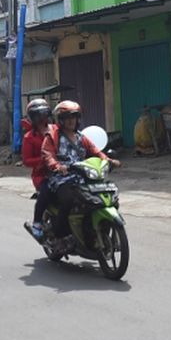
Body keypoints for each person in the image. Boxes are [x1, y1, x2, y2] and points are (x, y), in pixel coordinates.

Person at [41, 101, 120, 247]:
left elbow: (95, 151)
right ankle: (60, 234)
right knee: (69, 200)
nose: (71, 120)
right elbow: (48, 154)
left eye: (74, 117)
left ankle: (97, 231)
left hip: (83, 176)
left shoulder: (81, 137)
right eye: (67, 117)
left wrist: (108, 160)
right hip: (62, 178)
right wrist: (57, 166)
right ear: (61, 120)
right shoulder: (52, 136)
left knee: (107, 197)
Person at [21, 99, 53, 240]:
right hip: (42, 175)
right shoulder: (29, 137)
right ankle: (37, 223)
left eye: (44, 114)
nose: (41, 118)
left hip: (62, 170)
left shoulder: (56, 129)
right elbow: (27, 160)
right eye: (38, 115)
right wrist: (43, 160)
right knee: (46, 192)